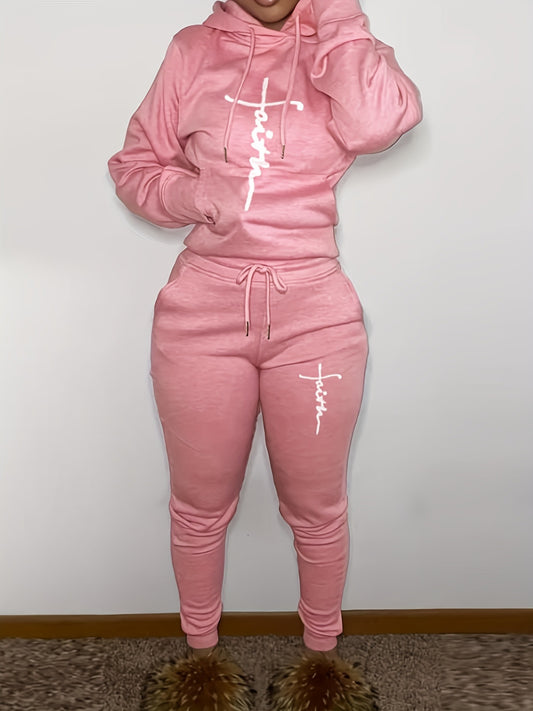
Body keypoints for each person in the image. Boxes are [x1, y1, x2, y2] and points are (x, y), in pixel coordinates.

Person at [108, 0, 422, 708]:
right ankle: (200, 665)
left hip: (314, 318)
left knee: (315, 503)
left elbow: (376, 125)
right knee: (199, 502)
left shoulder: (342, 46)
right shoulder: (192, 49)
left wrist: (337, 17)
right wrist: (194, 193)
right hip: (201, 315)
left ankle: (321, 666)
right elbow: (133, 167)